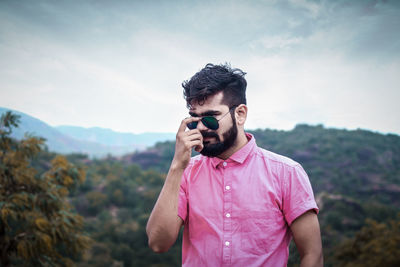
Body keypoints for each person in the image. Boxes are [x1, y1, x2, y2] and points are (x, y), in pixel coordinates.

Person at [146, 63, 323, 266]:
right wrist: (177, 166)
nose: (201, 128)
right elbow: (158, 243)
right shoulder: (186, 173)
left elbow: (313, 255)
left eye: (211, 119)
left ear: (240, 114)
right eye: (194, 120)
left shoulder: (287, 173)